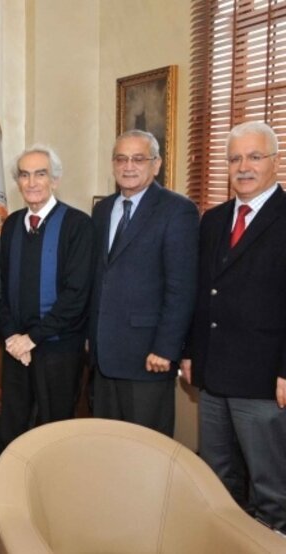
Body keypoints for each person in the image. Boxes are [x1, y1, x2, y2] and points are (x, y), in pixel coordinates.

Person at [182, 121, 286, 532]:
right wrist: (190, 352)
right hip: (213, 375)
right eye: (235, 158)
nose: (243, 166)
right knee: (217, 479)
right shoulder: (214, 219)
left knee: (271, 487)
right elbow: (201, 291)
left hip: (263, 379)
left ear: (275, 162)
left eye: (254, 156)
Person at [88, 130, 198, 437]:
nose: (129, 166)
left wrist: (166, 348)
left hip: (149, 357)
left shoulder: (177, 210)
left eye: (139, 159)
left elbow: (182, 288)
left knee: (145, 451)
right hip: (103, 355)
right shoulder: (102, 210)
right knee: (106, 445)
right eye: (121, 159)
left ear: (157, 164)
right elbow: (100, 279)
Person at [0, 146, 93, 453]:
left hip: (58, 349)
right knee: (13, 427)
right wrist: (12, 335)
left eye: (41, 174)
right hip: (16, 350)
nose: (32, 182)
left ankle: (52, 499)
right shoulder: (11, 225)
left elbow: (77, 295)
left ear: (55, 180)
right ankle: (13, 496)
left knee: (54, 433)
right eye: (24, 175)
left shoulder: (77, 225)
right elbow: (0, 287)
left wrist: (33, 338)